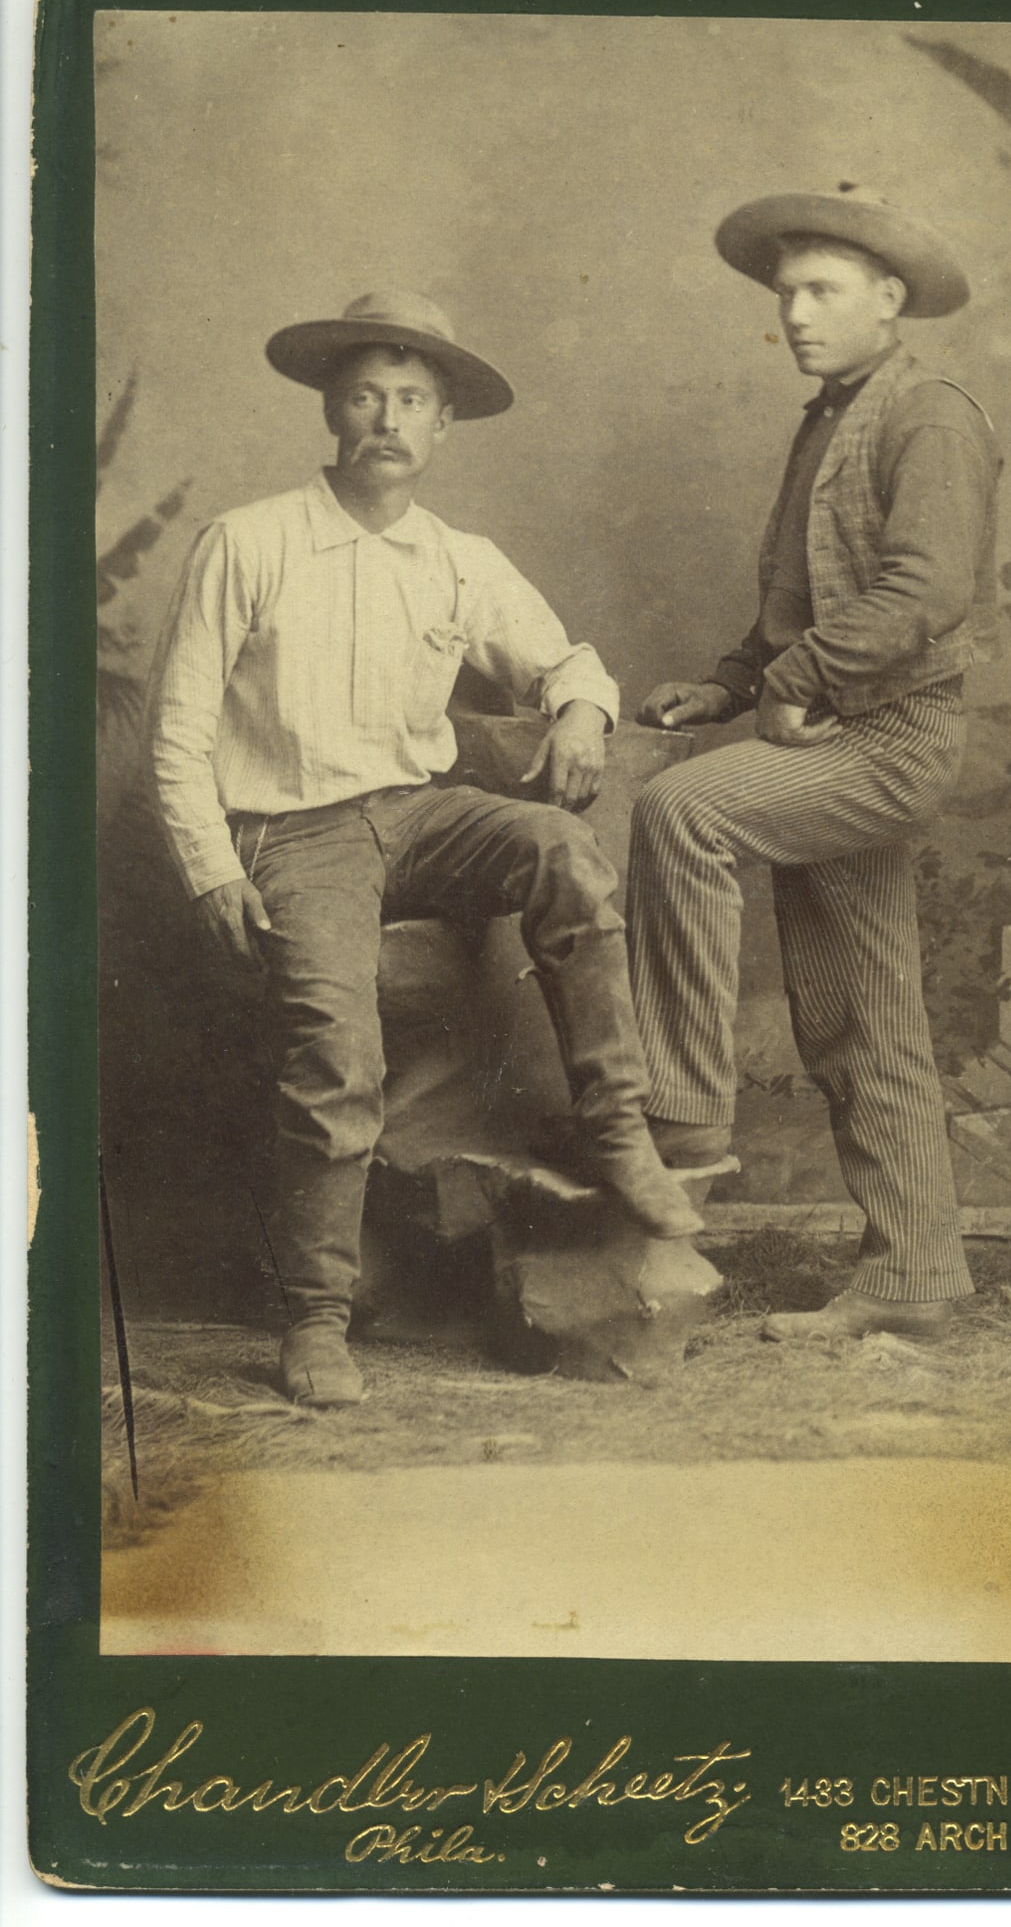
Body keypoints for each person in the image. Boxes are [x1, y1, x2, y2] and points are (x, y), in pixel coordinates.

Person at [149, 288, 701, 1408]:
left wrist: (581, 711)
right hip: (294, 831)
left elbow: (566, 659)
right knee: (336, 1053)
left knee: (561, 849)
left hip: (419, 813)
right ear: (331, 411)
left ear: (444, 425)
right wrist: (212, 867)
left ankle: (617, 1126)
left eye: (412, 400)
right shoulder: (249, 541)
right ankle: (317, 1317)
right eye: (366, 396)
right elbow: (178, 731)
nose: (388, 419)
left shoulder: (458, 558)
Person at [629, 187, 1000, 1342]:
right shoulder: (829, 422)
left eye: (821, 290)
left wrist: (792, 681)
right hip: (835, 729)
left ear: (888, 299)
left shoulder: (928, 415)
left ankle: (682, 1112)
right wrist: (730, 683)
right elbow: (803, 601)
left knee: (681, 809)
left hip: (895, 735)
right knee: (858, 1009)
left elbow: (926, 591)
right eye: (785, 292)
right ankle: (916, 1274)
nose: (794, 312)